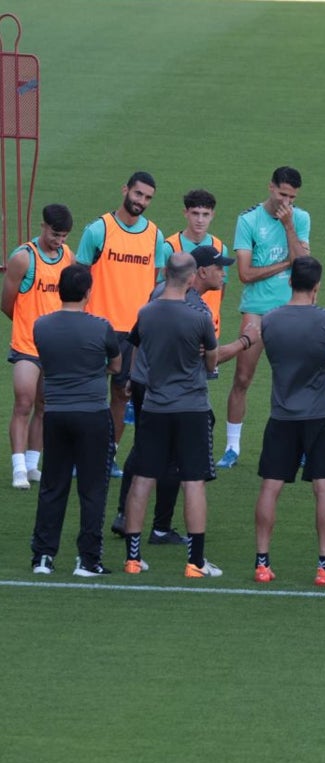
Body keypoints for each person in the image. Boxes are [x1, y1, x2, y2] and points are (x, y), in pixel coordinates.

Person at [112, 245, 245, 546]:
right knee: (173, 456)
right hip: (173, 389)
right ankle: (160, 527)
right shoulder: (195, 310)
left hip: (146, 379)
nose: (223, 275)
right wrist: (246, 341)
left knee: (143, 448)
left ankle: (124, 515)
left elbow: (137, 334)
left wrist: (134, 374)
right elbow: (207, 358)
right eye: (218, 268)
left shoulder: (161, 291)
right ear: (200, 272)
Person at [122, 252, 224, 578]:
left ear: (165, 274)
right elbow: (211, 363)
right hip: (191, 407)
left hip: (154, 405)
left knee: (143, 478)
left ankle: (133, 559)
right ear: (192, 277)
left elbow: (137, 347)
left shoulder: (146, 313)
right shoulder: (199, 317)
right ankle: (195, 563)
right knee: (193, 481)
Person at [251, 256, 325, 585]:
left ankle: (262, 563)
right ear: (317, 285)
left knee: (270, 486)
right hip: (321, 415)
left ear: (290, 282)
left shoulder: (270, 321)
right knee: (323, 489)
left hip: (282, 415)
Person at [28, 264, 120, 576]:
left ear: (59, 290)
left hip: (55, 415)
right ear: (87, 292)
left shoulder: (42, 326)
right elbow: (115, 365)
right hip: (92, 414)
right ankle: (88, 559)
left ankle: (43, 556)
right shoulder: (101, 326)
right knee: (93, 489)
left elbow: (46, 362)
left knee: (53, 486)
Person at [217, 166, 310, 468]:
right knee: (242, 377)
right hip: (256, 309)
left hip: (291, 310)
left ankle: (301, 447)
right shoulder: (248, 220)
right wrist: (286, 263)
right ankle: (232, 447)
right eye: (283, 194)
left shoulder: (300, 218)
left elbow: (305, 266)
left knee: (294, 380)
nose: (287, 202)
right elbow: (244, 274)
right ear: (270, 187)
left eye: (292, 197)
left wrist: (289, 227)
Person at [75, 171, 167, 472]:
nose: (141, 201)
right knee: (89, 393)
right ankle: (80, 456)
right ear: (125, 189)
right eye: (138, 194)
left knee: (121, 393)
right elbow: (78, 279)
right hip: (97, 327)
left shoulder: (154, 235)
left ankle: (107, 455)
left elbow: (154, 285)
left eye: (148, 197)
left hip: (133, 332)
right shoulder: (98, 230)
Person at [4, 203, 73, 490]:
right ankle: (18, 467)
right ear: (43, 226)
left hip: (55, 346)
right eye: (55, 234)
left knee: (45, 406)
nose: (59, 241)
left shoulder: (67, 256)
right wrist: (26, 324)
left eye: (64, 236)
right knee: (23, 402)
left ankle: (33, 465)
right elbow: (6, 302)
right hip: (27, 344)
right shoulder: (23, 258)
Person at [163, 189, 229, 348]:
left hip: (210, 329)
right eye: (195, 213)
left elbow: (221, 289)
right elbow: (160, 291)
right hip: (178, 328)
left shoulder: (220, 248)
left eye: (205, 214)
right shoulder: (169, 247)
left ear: (212, 214)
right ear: (185, 213)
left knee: (207, 371)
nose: (200, 220)